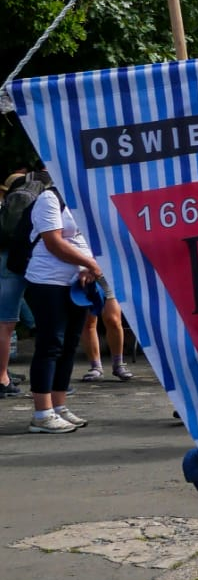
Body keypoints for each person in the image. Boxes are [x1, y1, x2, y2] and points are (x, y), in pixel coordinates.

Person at [22, 173, 104, 435]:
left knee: (69, 344)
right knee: (50, 344)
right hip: (48, 282)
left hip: (76, 282)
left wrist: (87, 266)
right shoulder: (49, 198)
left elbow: (86, 240)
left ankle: (58, 406)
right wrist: (90, 264)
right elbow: (54, 242)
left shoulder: (83, 201)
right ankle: (42, 413)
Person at [0, 167, 36, 399]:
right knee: (6, 324)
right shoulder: (29, 202)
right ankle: (2, 378)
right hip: (12, 263)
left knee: (5, 322)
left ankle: (3, 374)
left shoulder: (7, 207)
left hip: (5, 261)